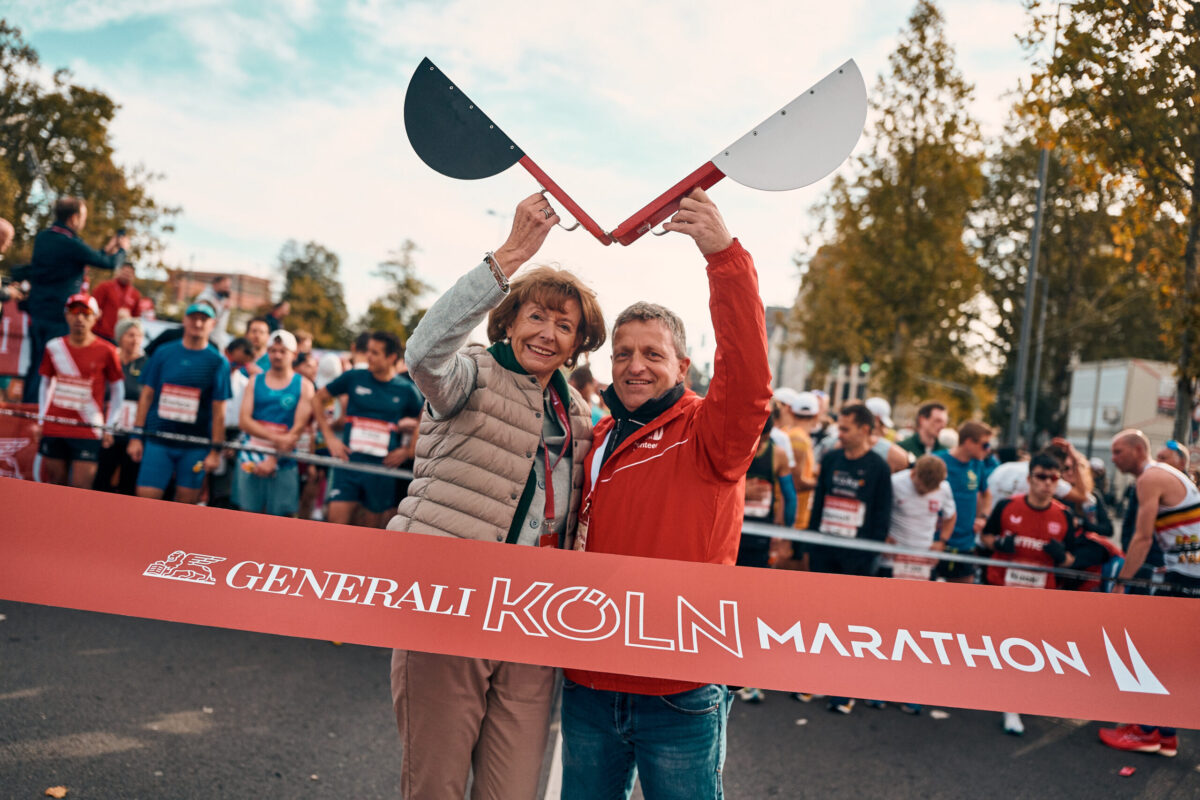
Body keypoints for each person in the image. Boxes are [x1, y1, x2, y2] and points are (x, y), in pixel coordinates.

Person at [383, 193, 605, 800]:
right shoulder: (471, 373)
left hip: (533, 618)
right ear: (506, 320)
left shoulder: (580, 412)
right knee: (436, 786)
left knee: (512, 792)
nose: (549, 333)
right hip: (449, 605)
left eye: (566, 326)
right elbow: (423, 352)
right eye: (538, 316)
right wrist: (507, 257)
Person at [561, 189, 771, 800]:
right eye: (623, 353)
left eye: (653, 354)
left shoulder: (711, 431)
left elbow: (751, 379)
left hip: (678, 692)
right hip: (590, 684)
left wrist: (724, 258)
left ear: (683, 366)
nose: (635, 366)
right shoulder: (597, 434)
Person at [1099, 429, 1199, 757]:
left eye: (1118, 451)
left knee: (1162, 656)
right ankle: (1163, 733)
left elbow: (1142, 538)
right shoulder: (1163, 474)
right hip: (1185, 572)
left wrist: (1121, 582)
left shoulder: (1150, 478)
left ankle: (1146, 732)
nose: (1113, 458)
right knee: (1170, 655)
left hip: (1189, 576)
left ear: (1138, 450)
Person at [979, 451, 1085, 735]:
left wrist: (1061, 556)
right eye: (1041, 477)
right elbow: (985, 538)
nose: (1047, 483)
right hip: (1003, 587)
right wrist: (1000, 542)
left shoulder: (1063, 515)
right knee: (996, 644)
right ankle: (989, 692)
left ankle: (1012, 707)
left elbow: (1073, 561)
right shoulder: (1006, 506)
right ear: (1029, 479)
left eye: (1054, 478)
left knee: (1025, 649)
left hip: (1040, 594)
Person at [805, 401, 893, 715]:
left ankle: (843, 690)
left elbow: (882, 517)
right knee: (820, 617)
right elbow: (818, 503)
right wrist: (810, 542)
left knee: (850, 625)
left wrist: (869, 555)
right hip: (824, 551)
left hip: (857, 558)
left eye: (845, 429)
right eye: (838, 428)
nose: (838, 434)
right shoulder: (830, 460)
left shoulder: (879, 468)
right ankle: (814, 680)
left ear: (865, 430)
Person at [18, 196, 128, 402]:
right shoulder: (70, 244)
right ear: (75, 218)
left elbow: (80, 259)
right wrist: (122, 250)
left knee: (35, 364)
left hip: (37, 313)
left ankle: (27, 413)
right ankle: (37, 414)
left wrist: (107, 248)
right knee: (48, 367)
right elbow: (108, 263)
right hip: (60, 317)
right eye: (83, 216)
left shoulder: (43, 238)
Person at [312, 331, 422, 529]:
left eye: (375, 352)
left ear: (391, 358)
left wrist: (408, 450)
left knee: (369, 534)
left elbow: (424, 417)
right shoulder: (354, 377)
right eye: (368, 351)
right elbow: (317, 399)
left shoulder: (405, 389)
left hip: (382, 470)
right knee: (334, 527)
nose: (368, 356)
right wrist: (330, 439)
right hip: (349, 464)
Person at [127, 302, 231, 504]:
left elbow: (219, 411)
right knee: (145, 502)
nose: (198, 323)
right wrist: (136, 436)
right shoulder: (163, 353)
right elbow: (146, 395)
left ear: (213, 324)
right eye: (193, 318)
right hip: (158, 440)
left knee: (186, 507)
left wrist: (215, 451)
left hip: (195, 446)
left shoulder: (218, 362)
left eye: (204, 319)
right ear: (184, 320)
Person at [34, 294, 124, 488]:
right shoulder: (54, 346)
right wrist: (42, 419)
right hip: (55, 425)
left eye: (85, 312)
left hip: (88, 429)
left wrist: (110, 425)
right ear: (66, 315)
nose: (79, 318)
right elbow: (45, 384)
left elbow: (118, 390)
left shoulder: (108, 350)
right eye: (74, 311)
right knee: (55, 486)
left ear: (96, 317)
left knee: (81, 490)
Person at [735, 414, 790, 705]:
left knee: (752, 605)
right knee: (733, 602)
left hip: (757, 539)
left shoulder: (777, 455)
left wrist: (782, 536)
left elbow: (788, 498)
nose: (759, 445)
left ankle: (751, 679)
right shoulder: (732, 448)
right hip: (731, 535)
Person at [234, 330, 313, 516]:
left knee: (280, 523)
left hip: (284, 462)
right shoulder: (255, 381)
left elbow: (298, 429)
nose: (277, 355)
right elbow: (244, 421)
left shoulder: (304, 386)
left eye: (283, 351)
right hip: (251, 458)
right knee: (246, 518)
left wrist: (274, 458)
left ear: (294, 354)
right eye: (273, 350)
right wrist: (275, 439)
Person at [935, 420, 994, 584]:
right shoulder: (938, 460)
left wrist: (983, 517)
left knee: (962, 597)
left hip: (965, 543)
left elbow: (987, 494)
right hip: (936, 540)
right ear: (968, 442)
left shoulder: (978, 464)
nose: (988, 449)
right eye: (985, 444)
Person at [93, 318, 147, 495]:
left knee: (128, 483)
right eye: (130, 335)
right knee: (101, 479)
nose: (136, 340)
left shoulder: (146, 363)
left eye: (139, 336)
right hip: (107, 429)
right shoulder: (109, 358)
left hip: (133, 432)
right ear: (120, 337)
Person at [91, 262, 142, 343]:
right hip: (100, 333)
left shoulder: (135, 294)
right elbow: (92, 308)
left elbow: (136, 319)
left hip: (120, 338)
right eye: (124, 272)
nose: (126, 275)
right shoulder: (104, 287)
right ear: (119, 272)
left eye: (129, 273)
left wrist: (129, 318)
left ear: (133, 276)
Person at [195, 275, 234, 349]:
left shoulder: (223, 299)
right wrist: (222, 309)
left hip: (217, 338)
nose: (228, 290)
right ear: (216, 284)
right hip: (205, 338)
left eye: (228, 287)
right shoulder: (205, 298)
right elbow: (205, 319)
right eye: (225, 287)